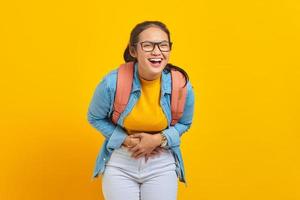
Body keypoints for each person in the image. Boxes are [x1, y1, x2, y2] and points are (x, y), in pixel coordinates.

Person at [87, 20, 195, 200]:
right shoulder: (111, 83)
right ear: (133, 51)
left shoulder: (181, 86)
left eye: (163, 45)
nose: (157, 51)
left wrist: (158, 139)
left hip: (161, 162)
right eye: (148, 45)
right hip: (121, 161)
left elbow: (185, 122)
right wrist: (125, 140)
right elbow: (94, 117)